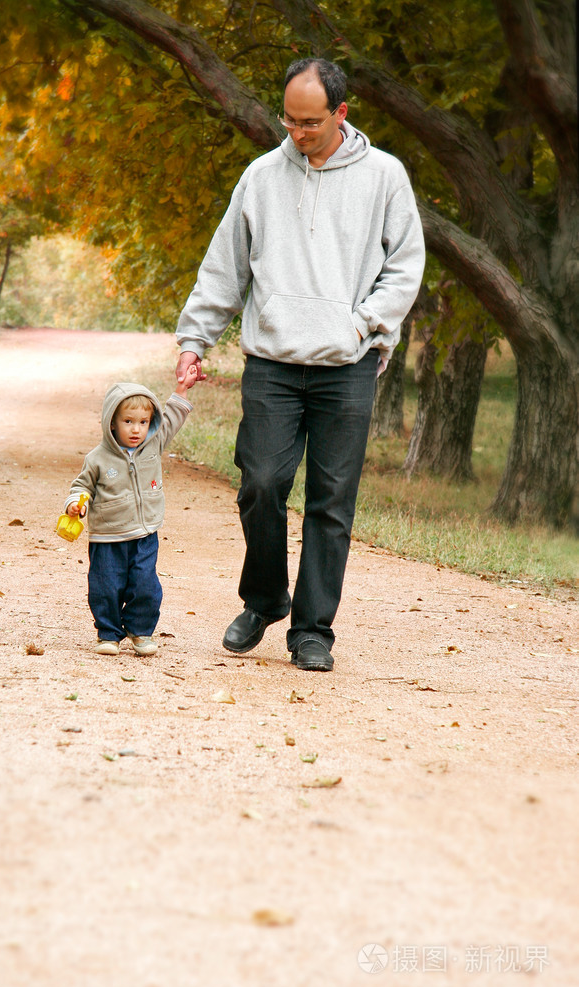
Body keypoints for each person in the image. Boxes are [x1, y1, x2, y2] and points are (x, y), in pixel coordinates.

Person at [175, 57, 425, 672]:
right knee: (260, 483)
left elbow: (406, 266)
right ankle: (263, 600)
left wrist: (362, 324)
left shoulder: (385, 177)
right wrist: (194, 341)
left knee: (332, 500)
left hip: (347, 365)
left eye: (310, 121)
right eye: (288, 119)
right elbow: (226, 267)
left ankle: (313, 631)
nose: (297, 132)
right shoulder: (260, 177)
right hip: (273, 363)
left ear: (341, 113)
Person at [64, 370, 196, 657]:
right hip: (107, 536)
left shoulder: (152, 446)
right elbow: (81, 486)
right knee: (105, 586)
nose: (136, 430)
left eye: (143, 422)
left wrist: (182, 389)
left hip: (145, 532)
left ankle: (140, 631)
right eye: (128, 422)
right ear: (112, 422)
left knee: (146, 585)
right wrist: (77, 504)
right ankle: (109, 634)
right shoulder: (97, 457)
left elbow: (172, 419)